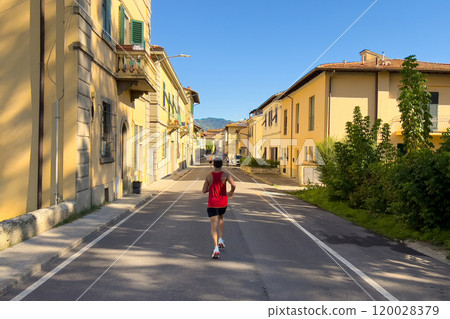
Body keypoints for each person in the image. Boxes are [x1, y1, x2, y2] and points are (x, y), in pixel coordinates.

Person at [202, 158, 236, 258]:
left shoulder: (209, 176)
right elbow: (233, 185)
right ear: (222, 165)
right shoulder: (226, 175)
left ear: (213, 165)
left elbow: (204, 190)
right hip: (223, 202)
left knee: (213, 225)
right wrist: (231, 192)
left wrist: (211, 188)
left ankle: (216, 248)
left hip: (212, 203)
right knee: (221, 218)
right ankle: (221, 239)